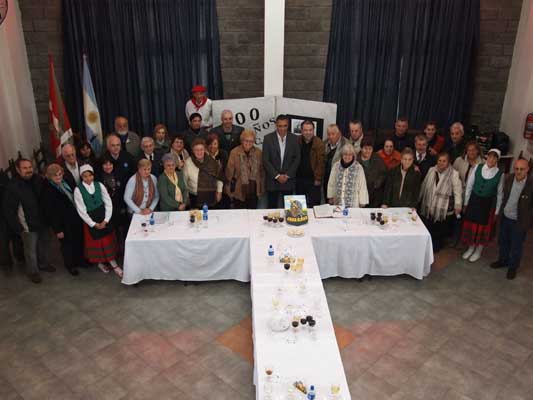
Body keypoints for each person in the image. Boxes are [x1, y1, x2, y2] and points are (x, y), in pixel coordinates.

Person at [2, 159, 54, 283]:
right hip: (27, 225)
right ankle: (33, 272)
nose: (28, 170)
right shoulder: (12, 187)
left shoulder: (38, 179)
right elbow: (9, 211)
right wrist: (19, 228)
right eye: (25, 168)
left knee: (45, 244)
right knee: (30, 251)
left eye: (30, 167)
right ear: (18, 170)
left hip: (43, 221)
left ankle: (44, 264)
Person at [74, 164, 122, 277]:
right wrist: (93, 224)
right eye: (85, 176)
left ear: (93, 175)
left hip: (103, 217)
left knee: (107, 242)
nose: (88, 179)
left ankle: (113, 263)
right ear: (82, 177)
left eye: (90, 176)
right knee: (97, 244)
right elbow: (81, 210)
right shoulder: (78, 190)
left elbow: (108, 202)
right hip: (91, 221)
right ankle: (100, 262)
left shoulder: (99, 185)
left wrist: (106, 220)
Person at [490, 159, 533, 280]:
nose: (518, 171)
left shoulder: (531, 184)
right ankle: (503, 260)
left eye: (522, 169)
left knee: (516, 246)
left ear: (527, 169)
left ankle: (513, 267)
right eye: (516, 168)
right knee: (503, 241)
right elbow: (502, 196)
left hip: (519, 222)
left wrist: (528, 217)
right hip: (505, 217)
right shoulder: (508, 178)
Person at [41, 163, 85, 276]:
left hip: (74, 217)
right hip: (63, 223)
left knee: (78, 240)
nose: (59, 177)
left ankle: (80, 260)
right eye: (55, 175)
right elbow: (50, 213)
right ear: (50, 177)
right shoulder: (48, 190)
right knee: (67, 245)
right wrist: (57, 229)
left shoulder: (66, 182)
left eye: (60, 174)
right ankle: (70, 265)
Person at [461, 148, 504, 262]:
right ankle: (471, 248)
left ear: (497, 160)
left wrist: (497, 211)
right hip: (474, 201)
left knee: (483, 230)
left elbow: (500, 194)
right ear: (487, 157)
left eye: (494, 157)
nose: (491, 159)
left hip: (487, 205)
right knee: (472, 227)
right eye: (490, 156)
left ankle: (478, 250)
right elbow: (469, 186)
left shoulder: (500, 174)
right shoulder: (478, 168)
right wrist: (466, 203)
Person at [419, 153, 462, 252]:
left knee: (439, 229)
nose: (441, 163)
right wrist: (419, 199)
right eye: (439, 161)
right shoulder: (431, 170)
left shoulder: (454, 174)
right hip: (429, 204)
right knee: (428, 226)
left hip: (442, 207)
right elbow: (424, 184)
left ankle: (436, 247)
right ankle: (427, 246)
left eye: (444, 161)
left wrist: (458, 205)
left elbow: (457, 191)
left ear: (448, 162)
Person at [262, 115, 301, 208]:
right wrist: (277, 176)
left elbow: (297, 158)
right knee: (271, 209)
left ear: (288, 125)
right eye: (280, 126)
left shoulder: (295, 138)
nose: (282, 128)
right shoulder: (268, 138)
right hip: (272, 180)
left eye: (285, 126)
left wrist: (287, 175)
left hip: (289, 180)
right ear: (276, 125)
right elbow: (265, 160)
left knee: (289, 210)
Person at [226, 130, 265, 209]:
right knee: (240, 216)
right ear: (242, 140)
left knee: (252, 215)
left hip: (254, 190)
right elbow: (229, 172)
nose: (248, 143)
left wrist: (262, 188)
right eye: (246, 140)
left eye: (251, 141)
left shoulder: (258, 153)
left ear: (254, 141)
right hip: (239, 190)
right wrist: (228, 190)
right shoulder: (234, 152)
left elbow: (262, 172)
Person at [183, 138, 224, 208]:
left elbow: (219, 177)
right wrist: (186, 197)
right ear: (193, 151)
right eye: (196, 150)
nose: (199, 152)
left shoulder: (212, 161)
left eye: (201, 149)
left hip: (211, 196)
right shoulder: (188, 163)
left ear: (205, 150)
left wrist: (219, 191)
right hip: (194, 197)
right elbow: (184, 181)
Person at [327, 143, 369, 208]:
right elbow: (331, 182)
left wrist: (362, 202)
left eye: (350, 155)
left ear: (353, 155)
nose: (347, 157)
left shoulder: (358, 168)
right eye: (345, 154)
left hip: (353, 204)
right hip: (338, 202)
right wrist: (330, 196)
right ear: (342, 155)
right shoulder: (336, 166)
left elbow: (362, 186)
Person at [296, 120, 325, 207]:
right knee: (299, 206)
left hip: (313, 180)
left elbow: (321, 163)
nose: (308, 132)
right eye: (305, 130)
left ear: (313, 130)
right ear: (301, 131)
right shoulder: (297, 141)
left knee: (315, 206)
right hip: (299, 179)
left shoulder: (319, 143)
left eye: (310, 130)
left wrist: (318, 179)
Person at [357, 137, 387, 208]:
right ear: (361, 148)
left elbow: (384, 173)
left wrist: (377, 183)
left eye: (370, 149)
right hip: (361, 195)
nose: (367, 151)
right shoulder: (356, 160)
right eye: (365, 148)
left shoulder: (378, 159)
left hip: (375, 196)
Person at [324, 124, 347, 199]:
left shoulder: (346, 145)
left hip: (338, 181)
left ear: (339, 133)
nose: (330, 136)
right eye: (329, 134)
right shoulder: (324, 143)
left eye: (333, 134)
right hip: (325, 179)